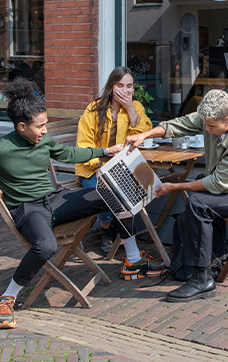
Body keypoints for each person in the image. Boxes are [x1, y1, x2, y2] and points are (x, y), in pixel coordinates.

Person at [0, 78, 161, 329]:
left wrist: (104, 151)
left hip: (55, 200)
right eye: (41, 126)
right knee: (46, 246)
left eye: (46, 124)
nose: (45, 131)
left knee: (117, 194)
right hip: (28, 208)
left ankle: (132, 260)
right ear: (22, 126)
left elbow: (67, 154)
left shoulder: (43, 140)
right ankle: (7, 298)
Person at [125, 89, 228, 302]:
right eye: (205, 124)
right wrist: (144, 135)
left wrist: (175, 187)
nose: (206, 129)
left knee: (199, 204)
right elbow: (179, 125)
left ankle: (202, 280)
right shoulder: (221, 114)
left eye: (211, 127)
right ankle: (215, 259)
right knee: (199, 197)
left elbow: (218, 184)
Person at [75, 66, 159, 280]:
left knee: (147, 186)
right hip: (94, 169)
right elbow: (83, 147)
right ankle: (108, 229)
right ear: (111, 87)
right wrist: (100, 164)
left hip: (123, 168)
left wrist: (131, 110)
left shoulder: (136, 106)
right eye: (120, 85)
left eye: (129, 86)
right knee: (113, 193)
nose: (125, 90)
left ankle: (125, 244)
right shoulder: (94, 110)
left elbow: (143, 140)